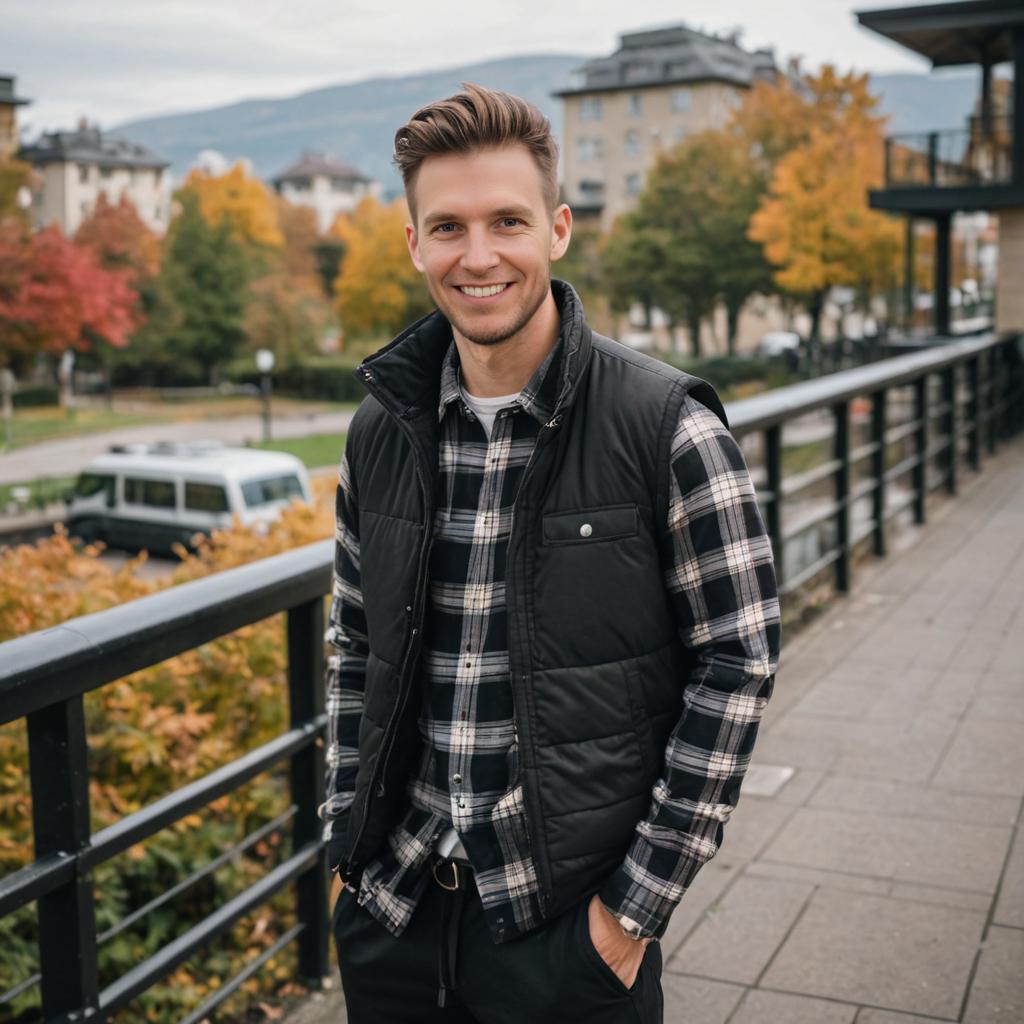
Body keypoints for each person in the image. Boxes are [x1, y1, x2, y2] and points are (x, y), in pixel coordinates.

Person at [318, 83, 781, 1024]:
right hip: (396, 911)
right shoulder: (381, 431)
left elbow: (739, 661)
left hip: (568, 932)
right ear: (413, 243)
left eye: (507, 222)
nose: (477, 255)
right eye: (446, 226)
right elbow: (353, 649)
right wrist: (345, 855)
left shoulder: (665, 427)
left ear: (558, 229)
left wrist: (631, 913)